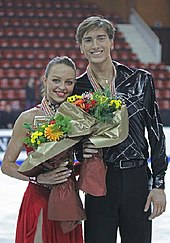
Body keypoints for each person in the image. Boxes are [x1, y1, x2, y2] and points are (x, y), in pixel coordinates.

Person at [74, 16, 168, 243]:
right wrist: (80, 149)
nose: (95, 45)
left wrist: (159, 185)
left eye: (101, 38)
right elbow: (72, 137)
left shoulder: (140, 79)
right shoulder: (77, 88)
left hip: (136, 178)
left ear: (112, 42)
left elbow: (155, 132)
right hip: (99, 181)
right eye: (88, 40)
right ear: (82, 47)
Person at [1, 56, 83, 243]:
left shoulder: (80, 118)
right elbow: (6, 165)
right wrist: (37, 178)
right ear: (45, 80)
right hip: (39, 199)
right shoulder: (27, 118)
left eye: (68, 82)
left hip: (68, 201)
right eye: (56, 80)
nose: (62, 87)